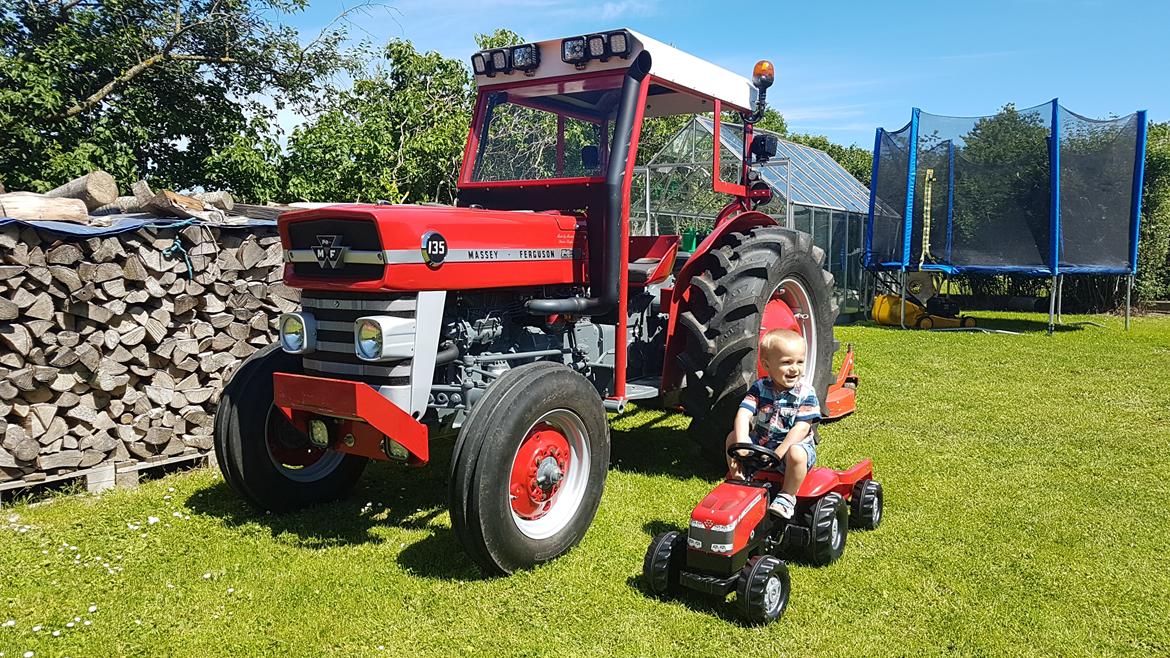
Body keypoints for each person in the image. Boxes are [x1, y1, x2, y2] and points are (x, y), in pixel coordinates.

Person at [726, 328, 821, 519]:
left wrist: (779, 453)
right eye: (787, 362)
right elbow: (744, 413)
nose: (795, 368)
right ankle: (741, 478)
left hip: (790, 450)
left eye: (800, 362)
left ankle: (787, 496)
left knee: (797, 452)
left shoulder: (806, 393)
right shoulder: (760, 387)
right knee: (732, 437)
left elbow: (801, 429)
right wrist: (743, 440)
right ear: (766, 365)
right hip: (762, 445)